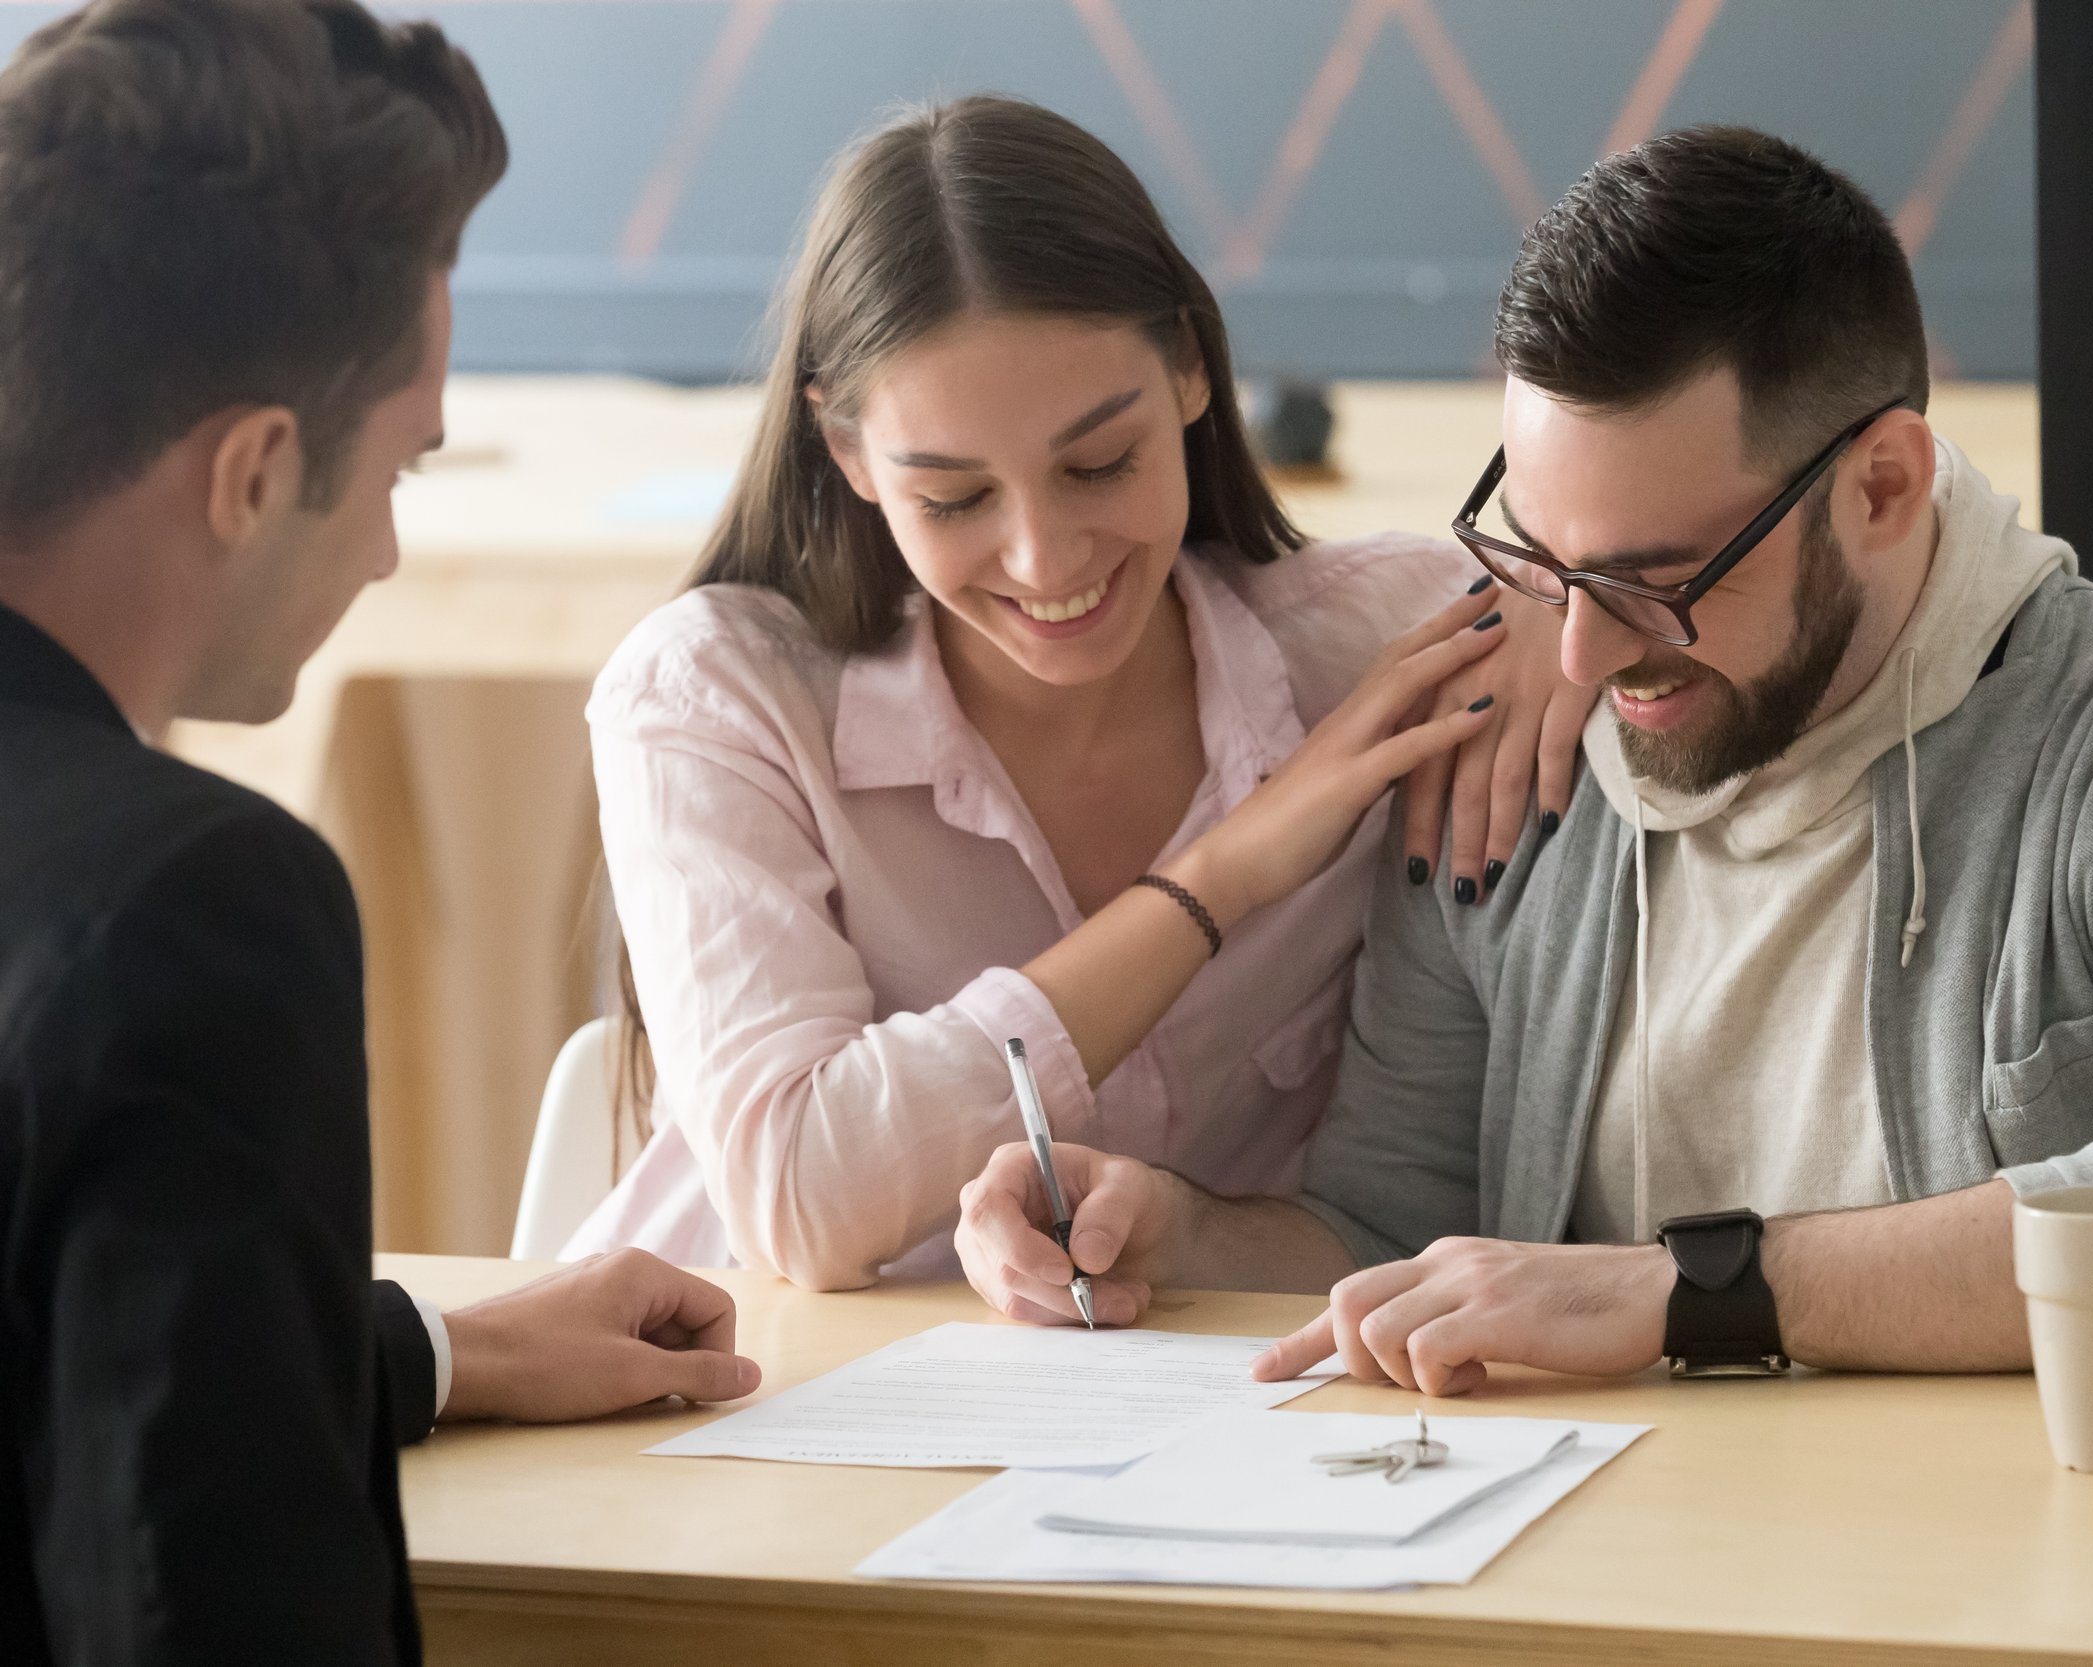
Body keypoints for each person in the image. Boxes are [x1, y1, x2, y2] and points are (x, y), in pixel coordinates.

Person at [954, 125, 2093, 1386]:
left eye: (1653, 578)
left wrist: (1685, 1293)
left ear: (1883, 485)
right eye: (1542, 560)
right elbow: (1399, 1225)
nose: (1577, 657)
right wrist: (1183, 1228)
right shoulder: (1512, 759)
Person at [0, 4, 758, 1660]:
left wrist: (425, 1346)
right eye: (403, 467)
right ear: (256, 473)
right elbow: (207, 1601)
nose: (392, 557)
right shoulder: (189, 903)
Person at [565, 95, 1593, 1288]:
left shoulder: (1389, 652)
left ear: (1192, 373)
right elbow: (800, 1200)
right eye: (952, 498)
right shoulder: (714, 696)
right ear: (847, 454)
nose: (1045, 561)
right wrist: (1220, 876)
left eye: (1101, 463)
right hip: (759, 1407)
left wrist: (1556, 601)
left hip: (1228, 1416)